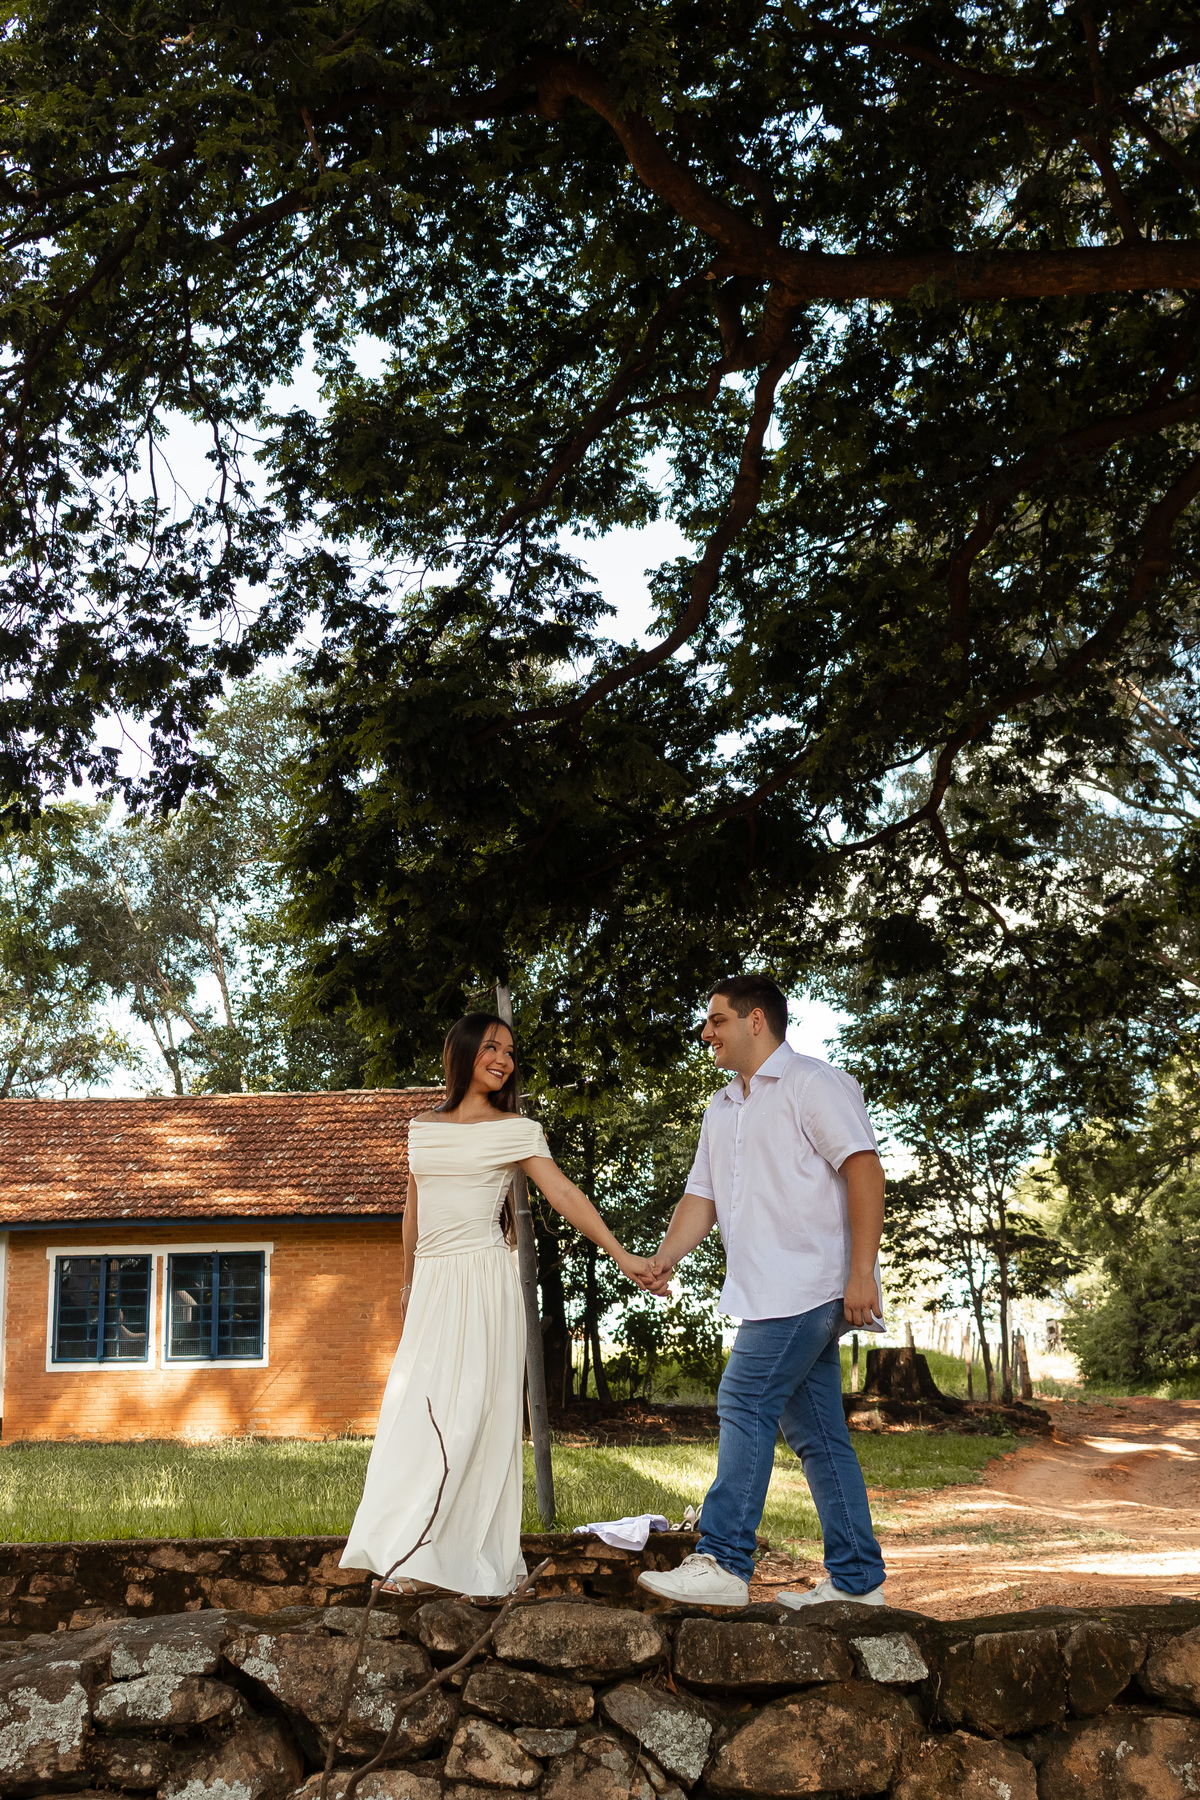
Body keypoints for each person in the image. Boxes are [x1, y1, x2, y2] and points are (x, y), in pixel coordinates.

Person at [340, 1012, 655, 1600]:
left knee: (475, 1415)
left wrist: (620, 1252)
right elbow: (414, 1212)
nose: (504, 1058)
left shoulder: (517, 1129)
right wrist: (408, 1288)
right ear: (461, 1052)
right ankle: (408, 1553)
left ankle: (464, 1559)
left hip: (484, 1280)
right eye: (491, 1046)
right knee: (419, 1411)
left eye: (509, 1050)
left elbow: (563, 1193)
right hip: (433, 1284)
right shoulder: (421, 1129)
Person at [637, 975, 889, 1609]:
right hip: (762, 1291)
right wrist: (663, 1259)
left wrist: (862, 1273)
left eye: (717, 1020)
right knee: (818, 1434)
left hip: (810, 1284)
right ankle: (858, 1583)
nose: (706, 1033)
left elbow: (863, 1166)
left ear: (755, 1021)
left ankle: (723, 1561)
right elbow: (703, 1198)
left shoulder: (812, 1083)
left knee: (744, 1398)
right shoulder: (722, 1108)